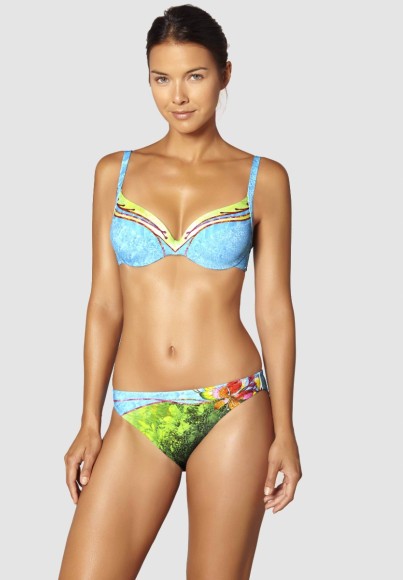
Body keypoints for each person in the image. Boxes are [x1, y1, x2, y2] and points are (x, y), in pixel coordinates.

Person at [59, 4, 302, 579]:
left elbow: (274, 309)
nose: (178, 96)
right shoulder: (115, 171)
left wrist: (286, 431)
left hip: (232, 405)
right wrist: (89, 419)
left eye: (195, 75)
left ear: (224, 74)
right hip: (138, 410)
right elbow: (104, 303)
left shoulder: (263, 178)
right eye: (161, 78)